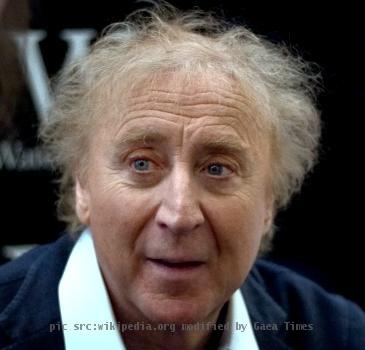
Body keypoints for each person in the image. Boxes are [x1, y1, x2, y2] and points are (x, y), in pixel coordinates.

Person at [0, 3, 364, 349]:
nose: (179, 215)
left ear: (269, 201)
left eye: (217, 169)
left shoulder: (337, 334)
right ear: (83, 187)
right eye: (141, 164)